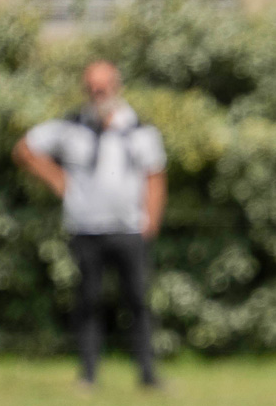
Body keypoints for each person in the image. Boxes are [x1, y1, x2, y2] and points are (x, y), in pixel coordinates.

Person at [14, 60, 166, 389]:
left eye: (103, 87)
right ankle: (88, 376)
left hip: (129, 229)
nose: (98, 93)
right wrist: (57, 179)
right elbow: (25, 149)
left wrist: (150, 223)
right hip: (86, 229)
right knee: (88, 302)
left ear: (116, 86)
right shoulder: (71, 126)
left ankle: (148, 375)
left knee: (137, 302)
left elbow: (155, 177)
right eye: (91, 88)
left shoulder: (139, 129)